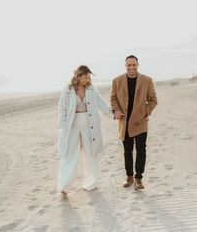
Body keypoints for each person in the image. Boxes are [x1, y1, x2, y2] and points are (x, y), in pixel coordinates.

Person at [57, 65, 114, 197]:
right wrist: (63, 123)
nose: (88, 79)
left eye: (89, 76)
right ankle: (64, 186)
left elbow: (102, 104)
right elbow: (61, 108)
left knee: (90, 154)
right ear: (78, 76)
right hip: (72, 126)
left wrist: (113, 114)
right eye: (86, 76)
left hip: (89, 126)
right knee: (69, 156)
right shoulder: (67, 90)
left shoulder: (92, 90)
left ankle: (91, 183)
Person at [110, 55, 157, 190]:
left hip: (140, 122)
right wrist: (116, 110)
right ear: (125, 66)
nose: (132, 67)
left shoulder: (147, 81)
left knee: (141, 149)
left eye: (134, 65)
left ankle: (139, 178)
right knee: (127, 151)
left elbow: (153, 100)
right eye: (129, 65)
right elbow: (113, 99)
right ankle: (129, 177)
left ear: (138, 65)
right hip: (124, 122)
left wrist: (146, 111)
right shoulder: (117, 81)